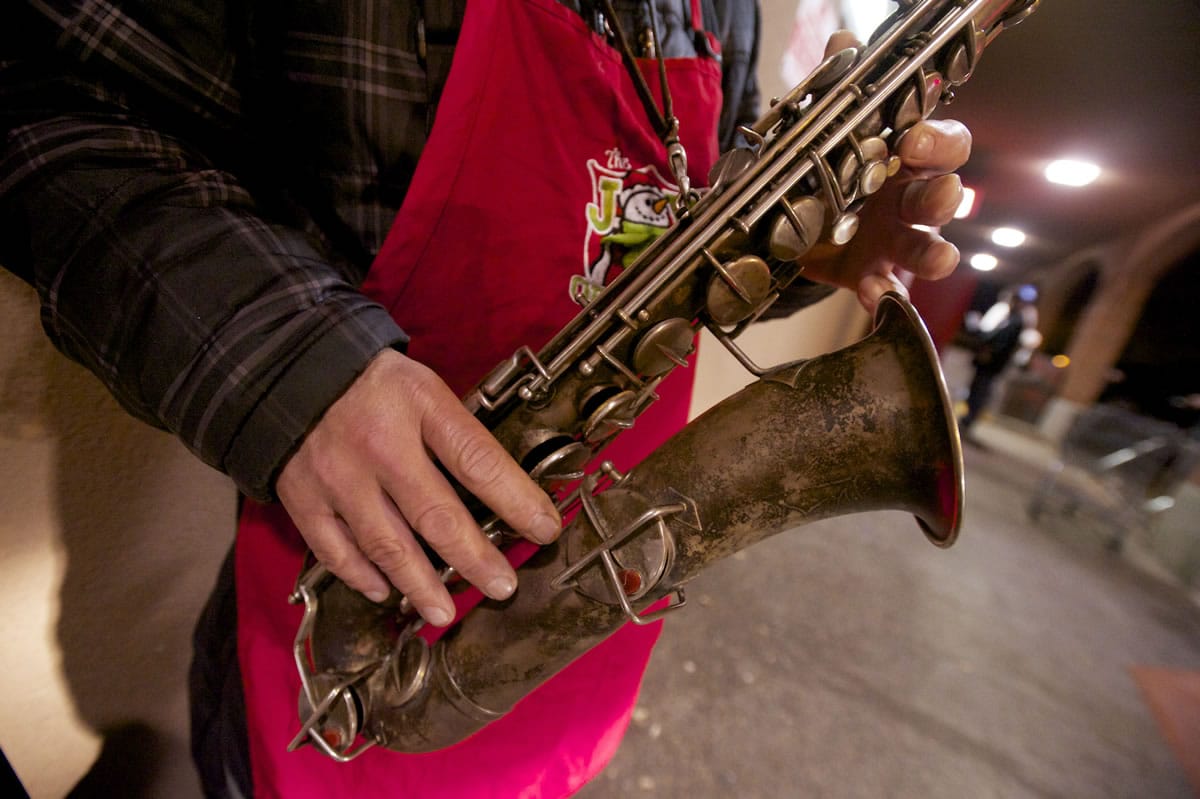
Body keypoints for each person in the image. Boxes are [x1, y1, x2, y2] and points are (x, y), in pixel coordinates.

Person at [0, 1, 972, 796]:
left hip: (577, 654)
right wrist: (296, 370)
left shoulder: (722, 11)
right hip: (341, 633)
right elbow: (43, 109)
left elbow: (671, 252)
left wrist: (815, 256)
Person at [959, 284, 1042, 438]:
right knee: (977, 389)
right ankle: (966, 420)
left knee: (981, 391)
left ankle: (968, 421)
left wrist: (989, 351)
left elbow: (1002, 342)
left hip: (992, 363)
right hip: (988, 363)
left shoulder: (1017, 320)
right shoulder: (1010, 317)